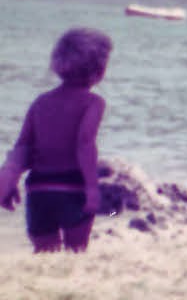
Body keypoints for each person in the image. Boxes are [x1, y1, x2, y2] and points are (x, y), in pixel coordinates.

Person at [0, 27, 112, 253]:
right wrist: (92, 188)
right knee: (75, 254)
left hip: (39, 189)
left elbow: (22, 147)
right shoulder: (93, 103)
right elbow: (85, 144)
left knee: (44, 255)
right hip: (72, 188)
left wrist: (8, 181)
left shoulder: (41, 102)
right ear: (99, 69)